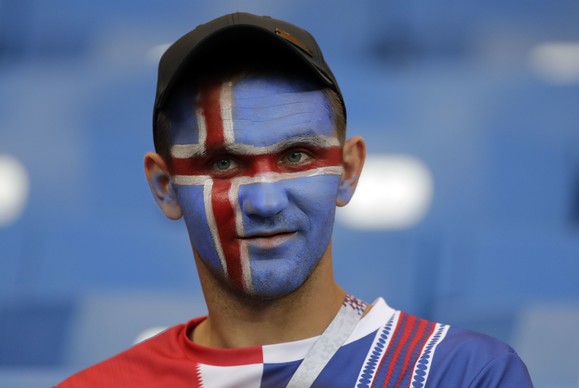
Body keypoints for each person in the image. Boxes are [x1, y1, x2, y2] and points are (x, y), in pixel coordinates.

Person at [56, 12, 533, 387]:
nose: (264, 201)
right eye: (223, 163)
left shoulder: (462, 375)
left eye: (297, 155)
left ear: (348, 171)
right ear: (165, 187)